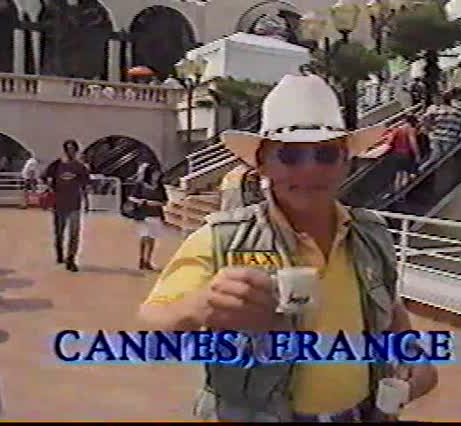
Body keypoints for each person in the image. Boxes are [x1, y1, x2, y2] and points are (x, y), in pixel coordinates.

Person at [138, 75, 438, 422]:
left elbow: (392, 313)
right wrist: (202, 305)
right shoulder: (221, 238)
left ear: (346, 162)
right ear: (262, 163)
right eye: (291, 155)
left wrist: (415, 359)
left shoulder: (371, 234)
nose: (310, 169)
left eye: (326, 154)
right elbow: (153, 325)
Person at [43, 140, 90, 272]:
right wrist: (50, 187)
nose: (71, 152)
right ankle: (59, 252)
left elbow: (85, 185)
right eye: (68, 149)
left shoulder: (80, 167)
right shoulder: (56, 165)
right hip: (59, 204)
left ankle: (71, 259)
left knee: (74, 232)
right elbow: (45, 177)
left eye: (73, 149)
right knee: (59, 232)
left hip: (75, 203)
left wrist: (87, 202)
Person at [128, 167, 167, 270]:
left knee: (152, 238)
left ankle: (148, 260)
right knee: (144, 236)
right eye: (155, 173)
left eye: (158, 174)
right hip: (143, 214)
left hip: (156, 214)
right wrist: (141, 201)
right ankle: (141, 258)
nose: (156, 176)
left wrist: (155, 203)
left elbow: (164, 201)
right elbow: (132, 197)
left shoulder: (160, 187)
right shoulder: (141, 185)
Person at [388, 115, 421, 192]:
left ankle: (397, 193)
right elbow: (413, 143)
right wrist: (417, 155)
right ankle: (404, 192)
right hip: (406, 154)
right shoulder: (410, 130)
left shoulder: (397, 129)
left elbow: (390, 142)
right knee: (407, 175)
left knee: (399, 175)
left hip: (396, 154)